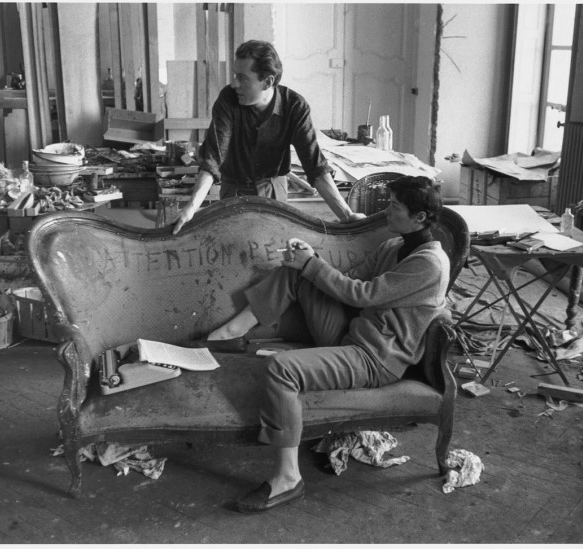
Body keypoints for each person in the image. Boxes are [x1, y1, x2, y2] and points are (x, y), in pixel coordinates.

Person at [206, 175, 451, 512]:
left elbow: (363, 294)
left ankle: (288, 479)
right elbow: (349, 279)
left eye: (395, 206)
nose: (386, 211)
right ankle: (231, 334)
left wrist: (312, 265)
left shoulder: (429, 264)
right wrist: (308, 258)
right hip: (352, 335)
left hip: (375, 358)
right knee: (297, 272)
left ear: (419, 217)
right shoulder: (394, 246)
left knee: (281, 368)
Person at [172, 40, 363, 234]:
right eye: (235, 75)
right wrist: (191, 208)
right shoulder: (228, 99)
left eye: (242, 77)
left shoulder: (294, 106)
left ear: (268, 82)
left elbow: (315, 166)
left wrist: (347, 215)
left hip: (274, 190)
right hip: (234, 190)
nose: (234, 83)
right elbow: (213, 158)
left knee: (277, 246)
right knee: (234, 245)